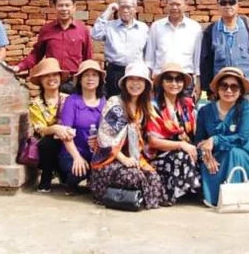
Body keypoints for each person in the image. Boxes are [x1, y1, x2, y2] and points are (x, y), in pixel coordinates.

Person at [90, 62, 166, 209]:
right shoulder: (117, 104)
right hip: (111, 160)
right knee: (133, 176)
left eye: (140, 80)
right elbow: (105, 138)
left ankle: (137, 199)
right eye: (131, 79)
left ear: (146, 84)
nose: (135, 84)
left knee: (154, 178)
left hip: (134, 158)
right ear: (125, 83)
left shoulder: (144, 108)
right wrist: (124, 159)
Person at [195, 67, 249, 208]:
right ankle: (214, 197)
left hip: (242, 150)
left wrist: (214, 140)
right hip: (213, 154)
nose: (229, 91)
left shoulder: (246, 108)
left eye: (234, 87)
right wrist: (205, 154)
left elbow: (242, 137)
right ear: (217, 89)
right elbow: (199, 139)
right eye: (224, 86)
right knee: (214, 160)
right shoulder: (205, 111)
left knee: (233, 153)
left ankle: (235, 199)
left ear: (241, 90)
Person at [14, 0, 92, 94]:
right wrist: (19, 67)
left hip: (75, 83)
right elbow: (36, 54)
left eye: (67, 5)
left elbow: (88, 59)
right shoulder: (46, 30)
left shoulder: (82, 30)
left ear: (74, 7)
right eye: (60, 5)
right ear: (54, 7)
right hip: (51, 81)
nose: (64, 9)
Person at [146, 62, 201, 205]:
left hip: (186, 149)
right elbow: (153, 141)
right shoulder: (153, 106)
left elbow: (194, 133)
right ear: (162, 83)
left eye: (178, 79)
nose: (174, 83)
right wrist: (181, 145)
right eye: (169, 79)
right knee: (181, 157)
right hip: (159, 155)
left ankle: (192, 188)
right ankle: (175, 192)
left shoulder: (187, 104)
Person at [200, 0, 249, 100]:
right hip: (220, 90)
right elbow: (205, 61)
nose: (227, 6)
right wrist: (208, 89)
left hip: (245, 89)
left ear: (237, 5)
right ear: (218, 6)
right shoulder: (210, 31)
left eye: (231, 2)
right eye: (223, 3)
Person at [57, 59, 107, 195]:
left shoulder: (104, 102)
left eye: (94, 75)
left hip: (96, 152)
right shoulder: (72, 101)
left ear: (100, 79)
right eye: (86, 75)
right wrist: (77, 157)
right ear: (79, 79)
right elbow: (66, 133)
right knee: (78, 171)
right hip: (73, 151)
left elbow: (108, 132)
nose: (90, 78)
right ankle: (69, 183)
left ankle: (94, 180)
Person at [145, 0, 202, 99]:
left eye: (178, 4)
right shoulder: (156, 27)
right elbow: (149, 59)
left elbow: (197, 59)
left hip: (185, 81)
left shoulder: (195, 28)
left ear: (185, 5)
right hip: (161, 79)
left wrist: (198, 82)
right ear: (166, 5)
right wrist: (149, 82)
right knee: (159, 115)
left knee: (184, 115)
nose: (174, 7)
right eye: (171, 4)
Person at [27, 58, 72, 192]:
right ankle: (46, 177)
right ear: (40, 80)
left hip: (68, 139)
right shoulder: (36, 104)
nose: (51, 79)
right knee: (48, 143)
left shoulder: (69, 99)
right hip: (47, 144)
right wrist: (55, 129)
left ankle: (64, 174)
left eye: (54, 75)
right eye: (46, 76)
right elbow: (40, 130)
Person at [91, 0, 148, 97]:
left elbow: (147, 52)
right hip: (114, 71)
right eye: (122, 7)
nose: (125, 10)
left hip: (135, 72)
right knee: (115, 103)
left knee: (135, 103)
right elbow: (95, 34)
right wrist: (109, 11)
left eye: (129, 7)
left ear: (135, 9)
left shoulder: (143, 28)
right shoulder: (109, 26)